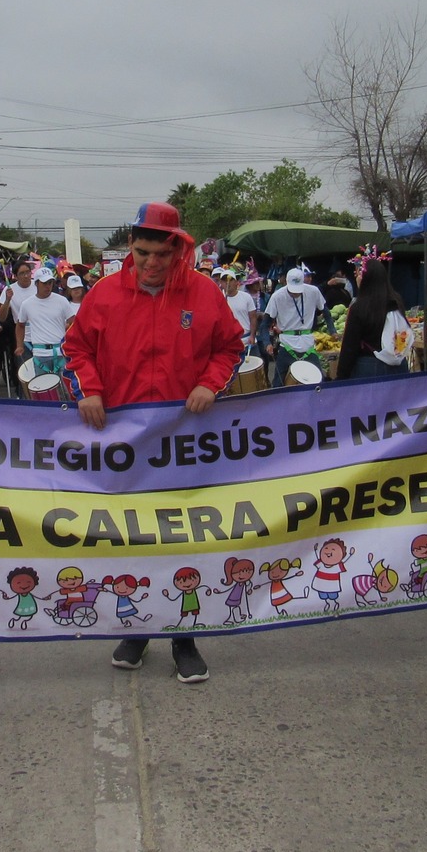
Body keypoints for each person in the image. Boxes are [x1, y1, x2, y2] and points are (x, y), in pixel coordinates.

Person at [65, 202, 244, 683]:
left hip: (184, 443)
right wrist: (91, 389)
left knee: (183, 540)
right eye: (142, 252)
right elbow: (76, 347)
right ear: (131, 247)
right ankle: (139, 629)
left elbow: (231, 345)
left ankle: (184, 638)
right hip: (123, 444)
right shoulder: (103, 294)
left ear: (178, 250)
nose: (150, 264)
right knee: (131, 538)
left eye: (161, 255)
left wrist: (210, 382)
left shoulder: (204, 293)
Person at [337, 256, 409, 380]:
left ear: (366, 278)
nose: (357, 278)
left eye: (360, 274)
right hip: (398, 365)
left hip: (369, 367)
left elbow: (350, 347)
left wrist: (341, 376)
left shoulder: (359, 307)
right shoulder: (397, 301)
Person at [261, 266, 324, 387]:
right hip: (287, 344)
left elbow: (324, 311)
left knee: (319, 381)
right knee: (278, 383)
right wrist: (267, 342)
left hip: (308, 343)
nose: (295, 293)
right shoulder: (277, 296)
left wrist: (332, 330)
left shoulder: (313, 291)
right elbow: (265, 324)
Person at [13, 266, 77, 380]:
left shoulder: (61, 300)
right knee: (44, 391)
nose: (48, 286)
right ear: (36, 283)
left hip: (60, 352)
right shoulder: (27, 304)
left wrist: (70, 341)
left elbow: (74, 322)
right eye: (44, 283)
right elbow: (20, 325)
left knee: (65, 391)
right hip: (40, 354)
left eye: (50, 282)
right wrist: (19, 345)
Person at [216, 266, 259, 353]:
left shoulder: (246, 297)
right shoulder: (218, 299)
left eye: (231, 280)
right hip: (229, 344)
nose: (228, 283)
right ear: (220, 282)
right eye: (224, 280)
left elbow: (253, 317)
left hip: (247, 340)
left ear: (236, 282)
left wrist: (252, 335)